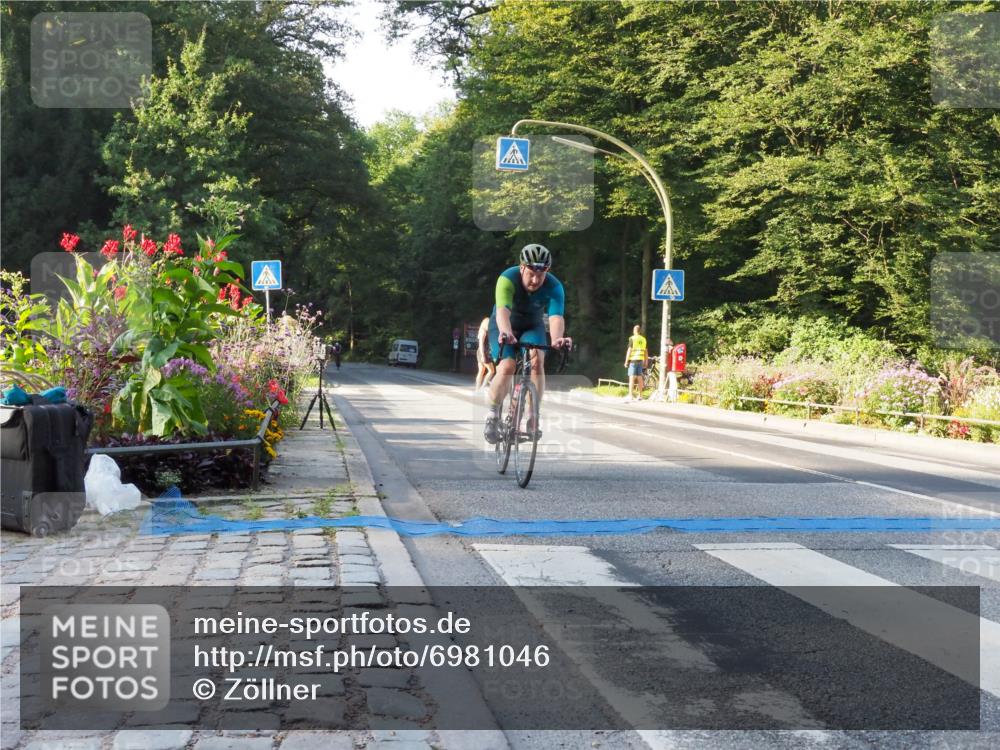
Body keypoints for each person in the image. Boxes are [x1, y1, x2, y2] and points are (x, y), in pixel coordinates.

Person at [483, 244, 572, 443]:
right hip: (505, 324)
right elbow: (503, 311)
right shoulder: (507, 278)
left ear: (547, 271)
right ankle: (492, 414)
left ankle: (533, 416)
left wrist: (557, 338)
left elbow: (556, 316)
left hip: (533, 326)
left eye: (540, 275)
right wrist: (506, 333)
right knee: (507, 366)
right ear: (522, 267)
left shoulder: (554, 286)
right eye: (531, 274)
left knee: (537, 361)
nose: (535, 280)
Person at [623, 325, 648, 402]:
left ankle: (630, 395)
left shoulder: (632, 338)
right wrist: (646, 361)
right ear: (639, 331)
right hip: (640, 360)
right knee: (640, 378)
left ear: (634, 330)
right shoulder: (643, 339)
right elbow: (645, 352)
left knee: (632, 378)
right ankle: (640, 396)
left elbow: (629, 350)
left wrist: (626, 361)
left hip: (633, 360)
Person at [475, 316, 495, 391]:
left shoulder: (481, 331)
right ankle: (482, 387)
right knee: (491, 371)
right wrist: (483, 355)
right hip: (483, 352)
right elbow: (481, 344)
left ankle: (477, 389)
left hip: (480, 351)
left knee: (481, 371)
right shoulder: (483, 332)